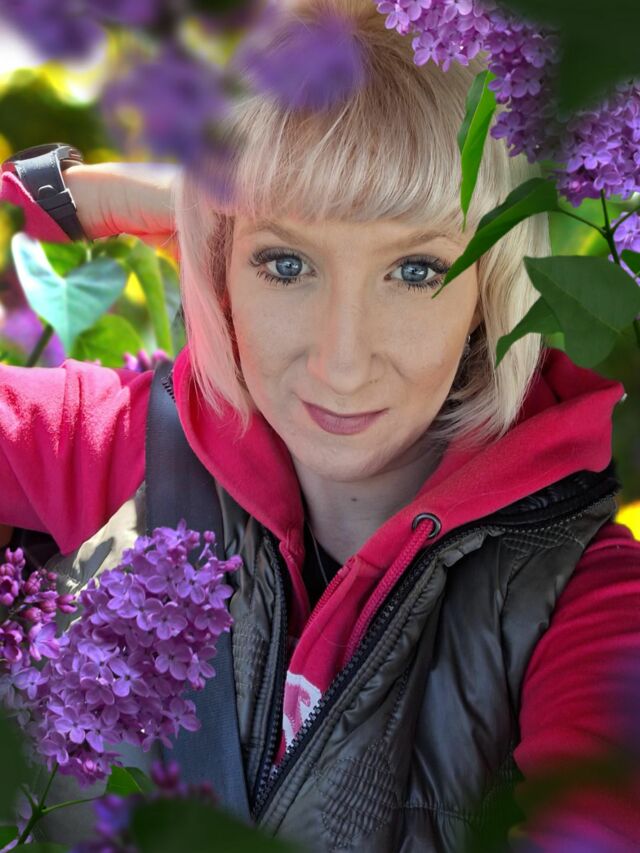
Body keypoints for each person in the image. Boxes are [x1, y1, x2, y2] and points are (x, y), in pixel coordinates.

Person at [1, 0, 640, 849]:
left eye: (416, 270)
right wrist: (108, 198)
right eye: (286, 262)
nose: (342, 361)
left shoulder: (582, 595)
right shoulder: (124, 443)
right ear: (221, 268)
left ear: (490, 292)